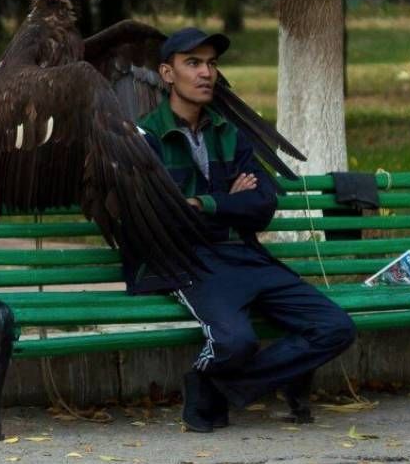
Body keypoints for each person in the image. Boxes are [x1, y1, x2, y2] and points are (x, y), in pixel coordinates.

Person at [129, 27, 355, 432]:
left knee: (334, 327)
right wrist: (228, 200)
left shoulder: (228, 133)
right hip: (189, 262)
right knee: (236, 342)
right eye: (192, 63)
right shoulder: (145, 138)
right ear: (167, 73)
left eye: (211, 64)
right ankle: (223, 383)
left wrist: (204, 202)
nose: (206, 74)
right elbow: (165, 217)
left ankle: (212, 385)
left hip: (245, 257)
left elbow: (263, 205)